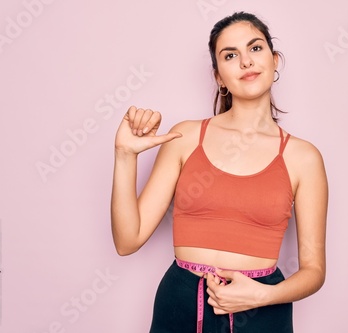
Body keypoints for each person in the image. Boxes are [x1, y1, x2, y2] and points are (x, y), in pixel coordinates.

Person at [111, 11, 328, 333]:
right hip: (180, 304)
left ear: (275, 60)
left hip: (262, 312)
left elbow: (314, 270)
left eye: (255, 48)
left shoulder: (303, 157)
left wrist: (263, 295)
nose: (246, 62)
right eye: (230, 55)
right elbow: (127, 241)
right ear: (218, 77)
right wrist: (125, 155)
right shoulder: (183, 137)